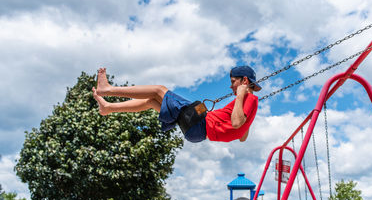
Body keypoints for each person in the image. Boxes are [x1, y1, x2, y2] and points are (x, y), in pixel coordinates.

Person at [93, 66, 261, 143]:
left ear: (244, 81)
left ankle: (108, 90)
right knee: (152, 102)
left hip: (199, 124)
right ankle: (109, 108)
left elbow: (237, 123)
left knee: (159, 90)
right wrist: (243, 111)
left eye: (233, 82)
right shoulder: (248, 104)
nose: (231, 86)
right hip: (198, 129)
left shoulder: (248, 99)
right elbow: (242, 136)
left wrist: (240, 97)